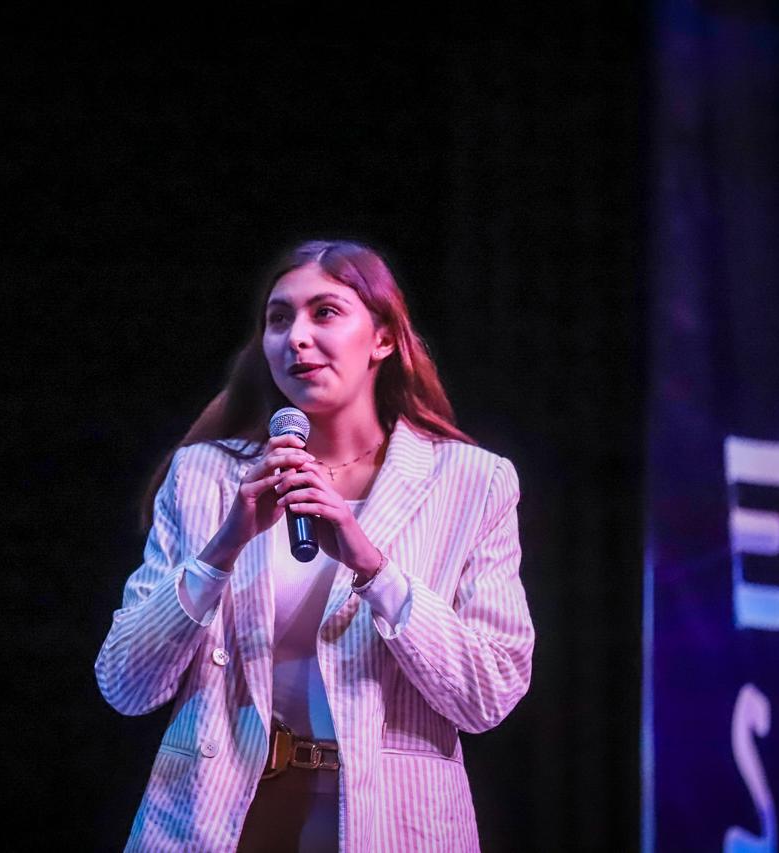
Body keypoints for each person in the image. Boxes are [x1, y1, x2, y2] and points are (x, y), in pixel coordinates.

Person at [95, 239, 534, 852]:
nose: (296, 338)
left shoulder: (472, 482)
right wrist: (223, 548)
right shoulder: (203, 475)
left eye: (325, 312)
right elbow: (125, 683)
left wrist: (372, 566)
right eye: (279, 319)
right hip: (211, 815)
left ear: (383, 338)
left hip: (392, 822)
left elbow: (489, 693)